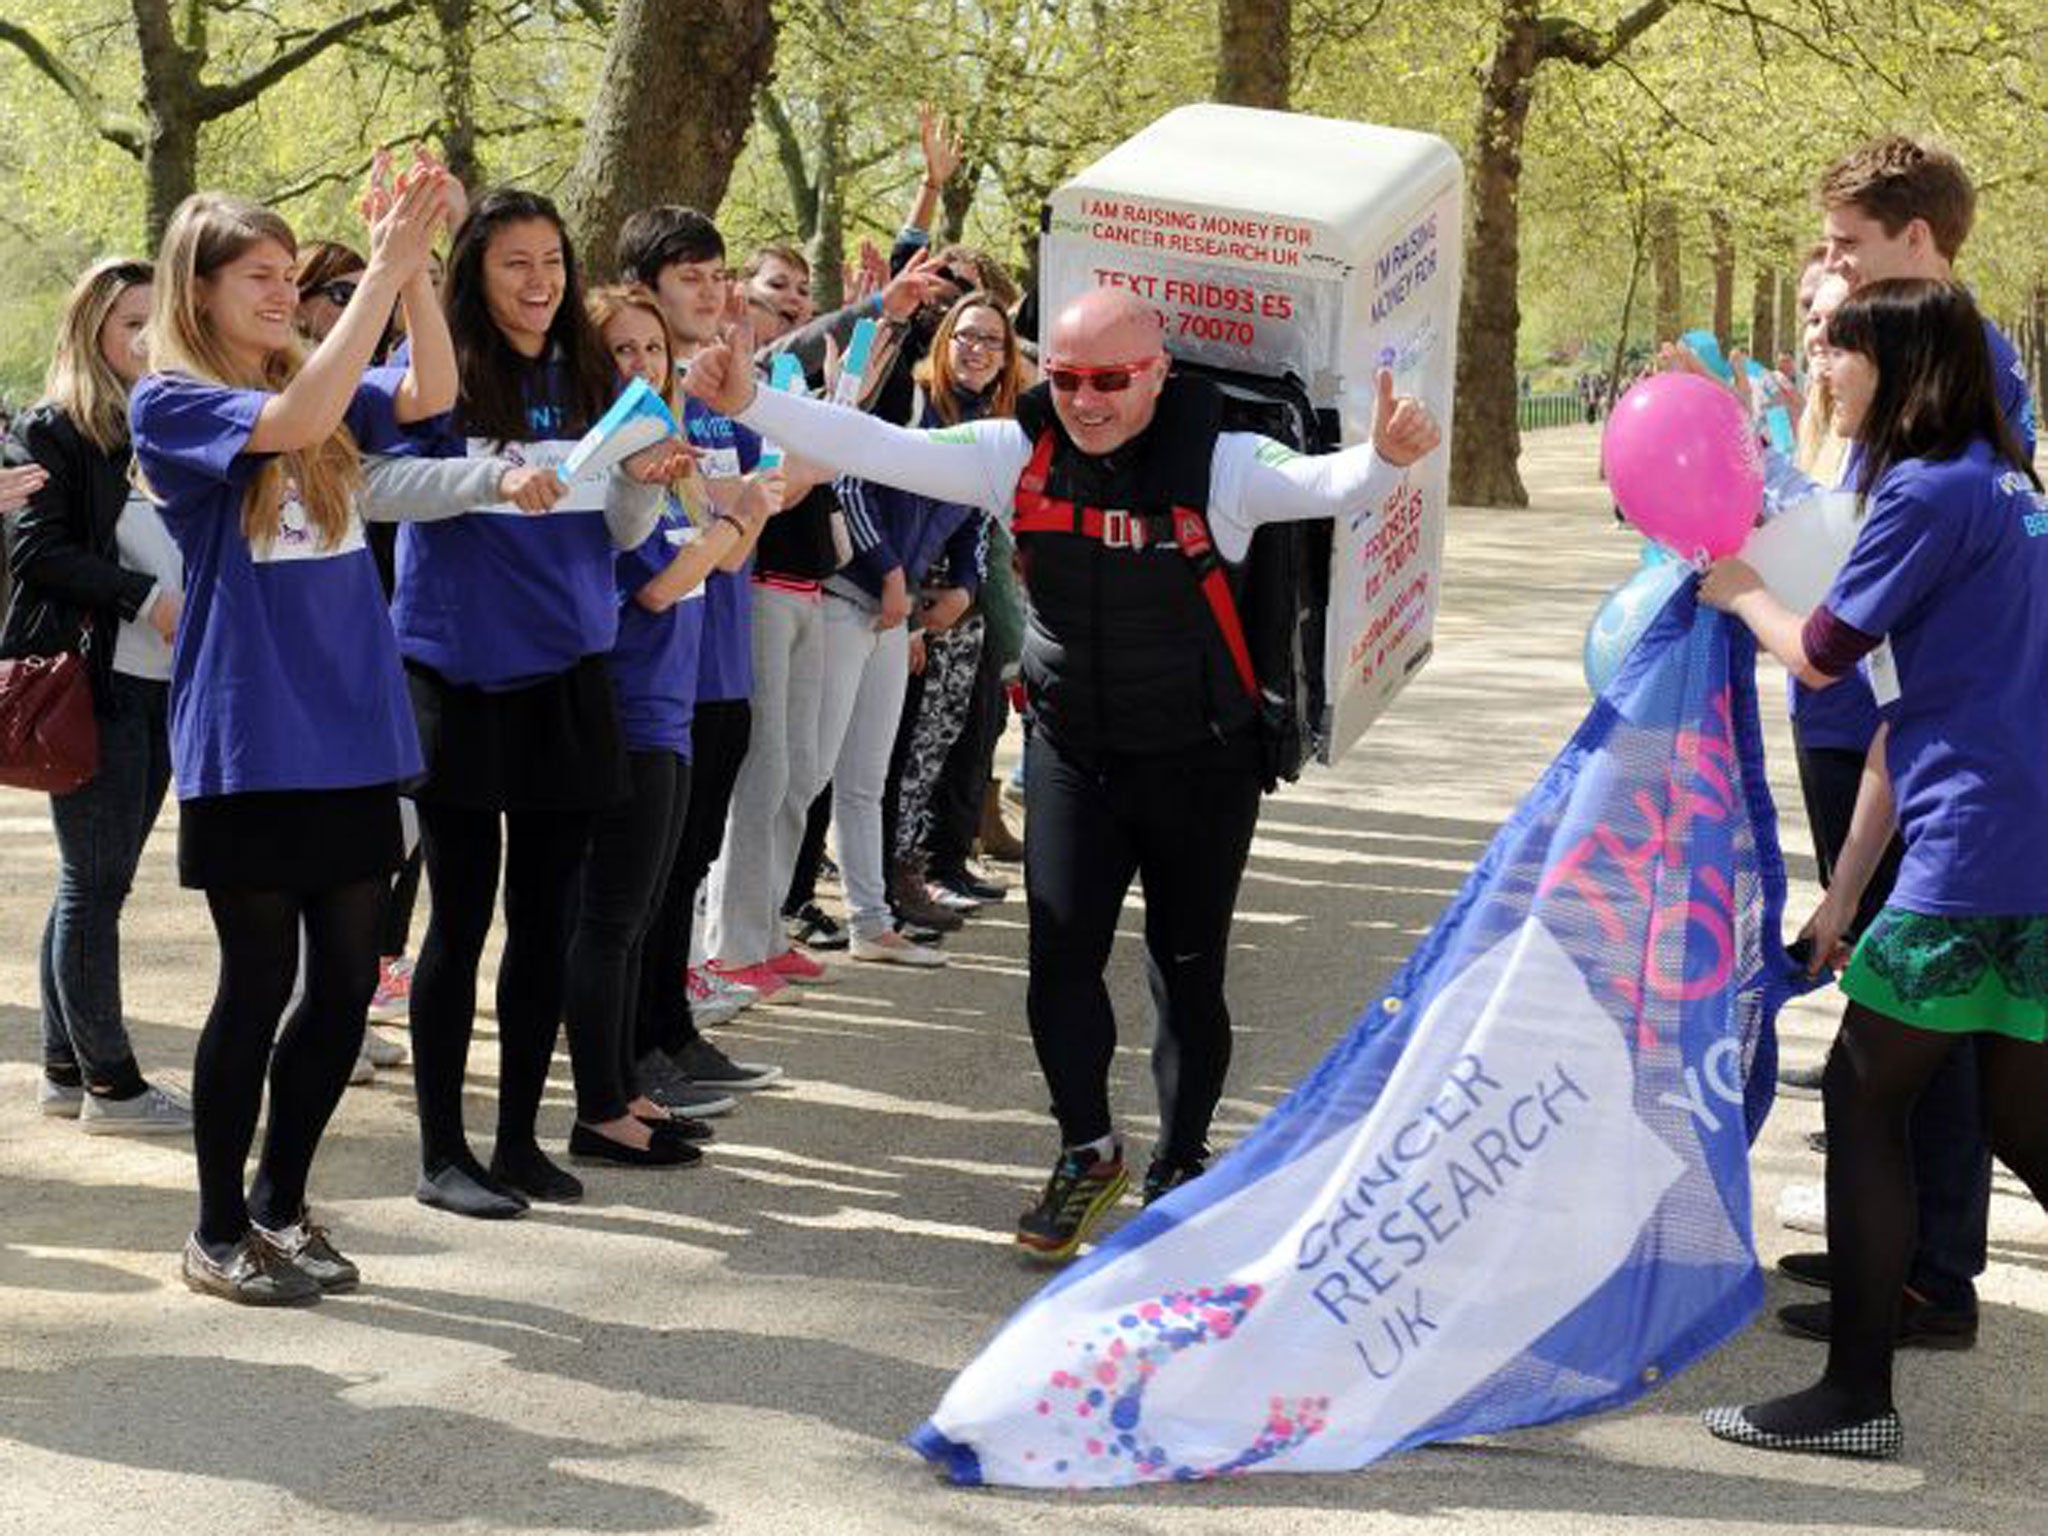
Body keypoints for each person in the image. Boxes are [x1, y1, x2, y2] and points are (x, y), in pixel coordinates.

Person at [684, 285, 1442, 1260]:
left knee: (1185, 968)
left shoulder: (1223, 462)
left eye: (1112, 381)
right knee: (1058, 965)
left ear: (1157, 374)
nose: (1085, 401)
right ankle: (1087, 1148)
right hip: (1074, 752)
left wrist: (1384, 456)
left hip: (1200, 759)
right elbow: (877, 447)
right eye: (1070, 378)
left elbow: (1329, 487)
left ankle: (1178, 1160)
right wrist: (749, 398)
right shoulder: (1015, 450)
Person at [129, 172, 545, 1301]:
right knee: (255, 980)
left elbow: (434, 389)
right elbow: (301, 420)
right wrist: (385, 265)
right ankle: (216, 1229)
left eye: (286, 275)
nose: (280, 291)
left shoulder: (312, 380)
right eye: (257, 277)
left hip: (354, 726)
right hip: (253, 729)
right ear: (199, 291)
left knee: (349, 975)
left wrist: (407, 273)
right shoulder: (174, 401)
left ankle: (281, 1203)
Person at [1699, 278, 2048, 1458]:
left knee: (1862, 1092)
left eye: (1836, 353)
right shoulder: (2004, 487)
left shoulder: (1921, 494)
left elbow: (1822, 657)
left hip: (1970, 852)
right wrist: (1842, 897)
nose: (1820, 375)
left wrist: (1736, 585)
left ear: (1897, 366)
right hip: (2019, 848)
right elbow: (1904, 716)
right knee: (2013, 1110)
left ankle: (1854, 1397)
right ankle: (1857, 1390)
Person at [396, 188, 677, 1219]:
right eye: (515, 263)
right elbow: (381, 486)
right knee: (458, 920)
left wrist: (650, 477)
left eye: (552, 262)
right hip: (456, 676)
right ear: (474, 269)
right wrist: (486, 479)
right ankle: (441, 1152)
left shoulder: (596, 371)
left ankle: (516, 1142)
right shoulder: (435, 375)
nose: (538, 283)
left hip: (570, 677)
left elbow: (615, 529)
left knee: (546, 922)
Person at [562, 283, 781, 1167]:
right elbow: (657, 585)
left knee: (643, 909)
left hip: (672, 706)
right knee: (612, 920)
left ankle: (626, 1091)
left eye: (654, 352)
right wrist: (739, 515)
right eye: (622, 352)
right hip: (625, 708)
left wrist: (729, 520)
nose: (644, 368)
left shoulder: (670, 460)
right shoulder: (607, 465)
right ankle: (602, 1107)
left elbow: (702, 567)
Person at [2, 257, 191, 1133]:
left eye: (161, 322)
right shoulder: (59, 429)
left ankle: (62, 1069)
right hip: (96, 685)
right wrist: (141, 598)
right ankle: (111, 1083)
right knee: (94, 884)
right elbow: (34, 552)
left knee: (94, 883)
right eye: (131, 325)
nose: (148, 341)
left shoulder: (168, 425)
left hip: (159, 687)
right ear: (93, 333)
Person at [616, 205, 788, 1095]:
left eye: (719, 274)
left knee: (687, 863)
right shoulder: (630, 403)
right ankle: (629, 1049)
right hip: (650, 664)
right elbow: (695, 537)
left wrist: (737, 514)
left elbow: (748, 531)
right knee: (641, 876)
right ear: (644, 290)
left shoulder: (721, 402)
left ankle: (671, 1028)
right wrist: (732, 515)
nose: (713, 292)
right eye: (692, 276)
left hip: (719, 656)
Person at [820, 293, 1008, 966]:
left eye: (992, 340)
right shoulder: (908, 400)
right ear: (944, 341)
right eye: (966, 336)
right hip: (849, 597)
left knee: (868, 776)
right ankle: (738, 937)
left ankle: (870, 923)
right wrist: (890, 575)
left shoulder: (987, 428)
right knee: (807, 775)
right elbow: (849, 485)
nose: (977, 350)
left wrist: (962, 586)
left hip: (898, 620)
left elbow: (974, 523)